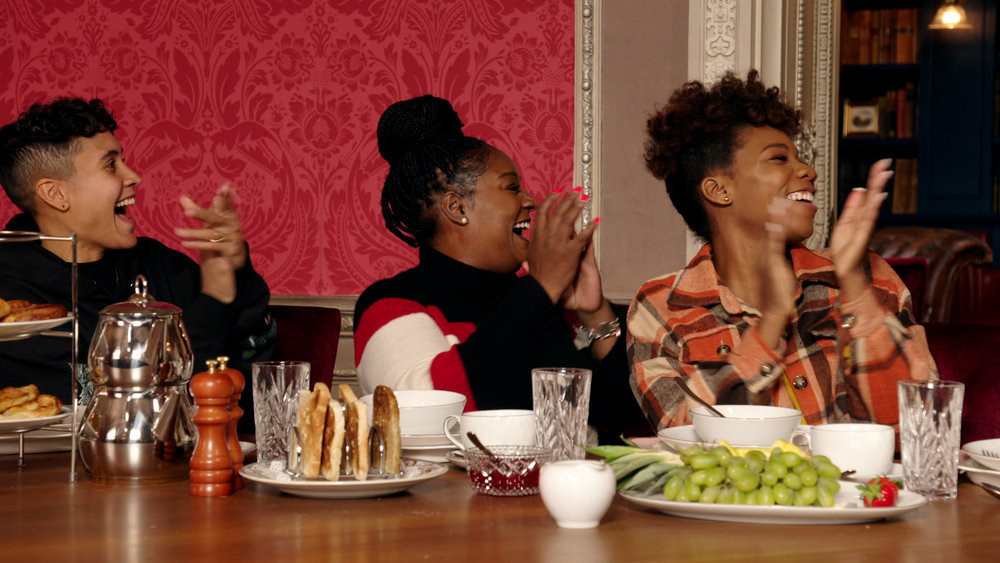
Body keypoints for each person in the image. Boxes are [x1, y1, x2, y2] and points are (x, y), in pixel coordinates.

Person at [629, 71, 937, 431]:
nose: (808, 170)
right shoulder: (662, 307)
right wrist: (771, 323)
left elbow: (915, 430)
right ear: (718, 189)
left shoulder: (869, 274)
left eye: (800, 158)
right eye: (779, 159)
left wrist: (854, 288)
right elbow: (692, 437)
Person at [354, 95, 647, 440]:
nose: (530, 201)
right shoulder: (390, 304)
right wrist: (539, 291)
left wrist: (594, 314)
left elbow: (623, 420)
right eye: (511, 187)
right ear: (457, 207)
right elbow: (434, 418)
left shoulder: (537, 303)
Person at [0, 98, 273, 418]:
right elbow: (139, 418)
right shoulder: (13, 307)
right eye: (111, 164)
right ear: (56, 194)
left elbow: (256, 397)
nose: (134, 177)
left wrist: (234, 275)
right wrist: (213, 300)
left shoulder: (162, 266)